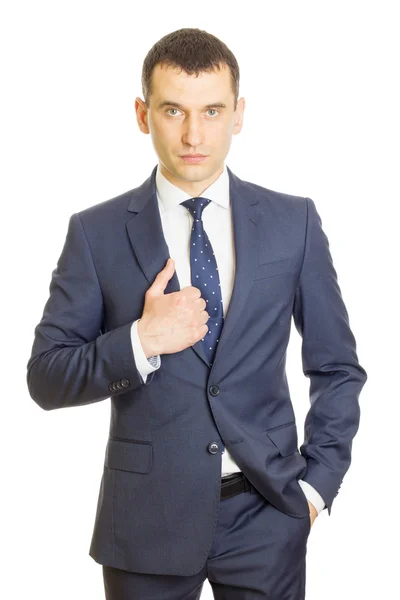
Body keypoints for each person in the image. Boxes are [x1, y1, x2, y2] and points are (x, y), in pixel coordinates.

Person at [26, 27, 368, 600]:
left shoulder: (294, 222)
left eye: (211, 111)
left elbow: (338, 369)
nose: (193, 134)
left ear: (238, 113)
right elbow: (46, 376)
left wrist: (315, 489)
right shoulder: (95, 233)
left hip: (269, 514)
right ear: (142, 114)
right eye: (172, 111)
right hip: (144, 525)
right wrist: (140, 339)